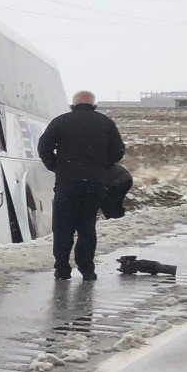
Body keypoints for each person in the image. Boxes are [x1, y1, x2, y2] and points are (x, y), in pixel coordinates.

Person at [37, 90, 125, 280]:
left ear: (73, 105)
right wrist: (101, 167)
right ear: (94, 105)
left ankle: (62, 269)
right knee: (87, 227)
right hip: (94, 185)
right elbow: (118, 151)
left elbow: (43, 147)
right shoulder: (105, 123)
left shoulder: (60, 121)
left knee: (63, 228)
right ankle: (87, 269)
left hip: (67, 184)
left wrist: (57, 166)